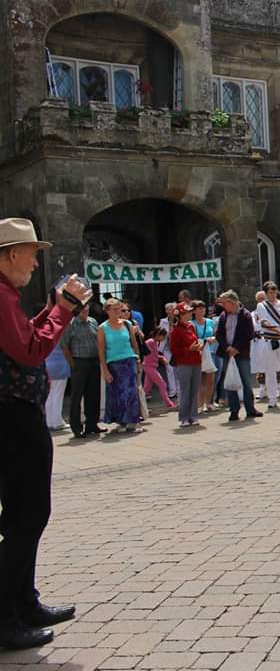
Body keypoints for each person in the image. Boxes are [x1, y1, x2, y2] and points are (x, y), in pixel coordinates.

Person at [0, 218, 91, 650]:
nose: (36, 263)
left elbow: (24, 337)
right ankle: (4, 616)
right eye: (33, 254)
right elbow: (31, 350)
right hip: (12, 417)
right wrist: (64, 309)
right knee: (27, 516)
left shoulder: (6, 296)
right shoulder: (0, 295)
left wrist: (56, 306)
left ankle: (22, 602)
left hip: (15, 415)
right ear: (11, 254)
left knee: (22, 515)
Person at [214, 290, 263, 422]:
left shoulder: (245, 315)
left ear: (232, 302)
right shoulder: (224, 316)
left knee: (246, 382)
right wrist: (227, 347)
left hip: (242, 353)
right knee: (230, 382)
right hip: (227, 353)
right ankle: (234, 411)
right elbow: (219, 334)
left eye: (224, 303)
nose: (223, 306)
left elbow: (249, 334)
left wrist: (236, 348)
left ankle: (250, 409)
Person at [97, 298, 142, 433]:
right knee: (118, 394)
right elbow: (101, 351)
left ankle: (133, 421)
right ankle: (121, 421)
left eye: (119, 309)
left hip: (129, 361)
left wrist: (138, 361)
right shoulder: (102, 328)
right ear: (107, 311)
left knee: (132, 392)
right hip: (114, 364)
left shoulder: (127, 324)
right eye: (115, 309)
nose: (118, 312)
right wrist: (105, 370)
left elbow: (134, 345)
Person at [59, 305, 103, 438]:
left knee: (94, 394)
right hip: (79, 362)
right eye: (83, 311)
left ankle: (92, 424)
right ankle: (76, 427)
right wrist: (71, 362)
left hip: (94, 361)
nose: (85, 313)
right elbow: (64, 344)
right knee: (77, 396)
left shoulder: (93, 322)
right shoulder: (70, 324)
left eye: (87, 311)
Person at [253, 282, 280, 409]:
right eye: (270, 292)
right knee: (270, 370)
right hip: (269, 340)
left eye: (275, 291)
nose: (273, 294)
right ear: (266, 293)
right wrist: (277, 328)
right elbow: (263, 322)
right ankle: (272, 399)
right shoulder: (261, 306)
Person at [169, 302, 203, 427]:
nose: (190, 313)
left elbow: (195, 341)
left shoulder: (191, 326)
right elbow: (174, 350)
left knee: (194, 390)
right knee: (185, 390)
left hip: (196, 361)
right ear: (181, 314)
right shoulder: (176, 330)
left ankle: (193, 416)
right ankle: (184, 417)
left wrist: (198, 347)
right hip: (184, 363)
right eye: (187, 312)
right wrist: (189, 349)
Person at [190, 300, 217, 413]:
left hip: (210, 352)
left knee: (210, 379)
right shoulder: (191, 323)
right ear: (194, 311)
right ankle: (200, 404)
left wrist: (213, 338)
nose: (202, 310)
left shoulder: (210, 322)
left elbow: (216, 334)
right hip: (198, 352)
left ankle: (209, 403)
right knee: (199, 379)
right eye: (199, 308)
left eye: (203, 308)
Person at [143, 328, 174, 409]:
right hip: (149, 366)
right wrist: (161, 358)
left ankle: (139, 404)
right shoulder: (151, 341)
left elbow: (154, 354)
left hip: (150, 366)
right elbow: (145, 349)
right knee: (162, 384)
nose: (163, 338)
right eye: (163, 336)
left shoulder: (155, 343)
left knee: (146, 388)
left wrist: (161, 358)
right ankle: (168, 403)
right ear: (158, 335)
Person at [44, 344, 70, 432]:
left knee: (50, 396)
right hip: (60, 366)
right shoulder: (60, 336)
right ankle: (57, 421)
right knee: (58, 395)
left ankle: (49, 421)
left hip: (48, 366)